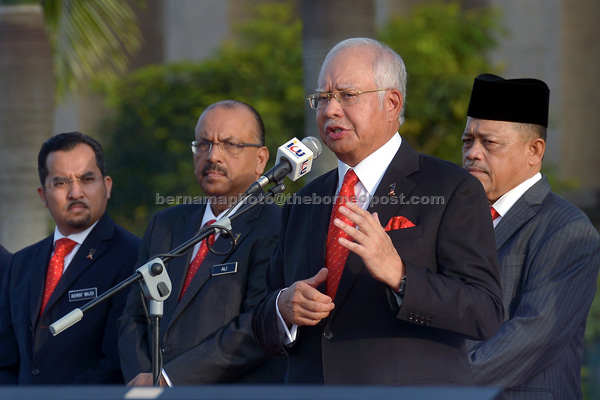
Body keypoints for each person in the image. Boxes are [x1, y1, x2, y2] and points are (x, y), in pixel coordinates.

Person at [252, 37, 504, 385]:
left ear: (392, 102)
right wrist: (283, 308)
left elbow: (484, 311)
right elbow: (261, 313)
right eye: (322, 98)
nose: (330, 110)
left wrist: (401, 275)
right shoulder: (304, 201)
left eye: (347, 95)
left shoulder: (451, 188)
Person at [118, 100, 284, 386]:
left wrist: (170, 380)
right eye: (203, 144)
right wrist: (143, 378)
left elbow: (256, 325)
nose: (213, 156)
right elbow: (134, 315)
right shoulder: (166, 224)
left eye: (229, 144)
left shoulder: (276, 226)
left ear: (260, 159)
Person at [462, 73, 600, 398]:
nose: (473, 153)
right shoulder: (456, 219)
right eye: (468, 141)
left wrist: (435, 384)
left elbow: (533, 335)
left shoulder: (566, 229)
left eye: (489, 143)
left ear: (534, 151)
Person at [0, 132, 140, 384]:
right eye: (61, 182)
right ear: (43, 195)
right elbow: (6, 360)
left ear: (107, 186)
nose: (76, 192)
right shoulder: (21, 263)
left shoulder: (133, 256)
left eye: (87, 179)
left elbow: (116, 364)